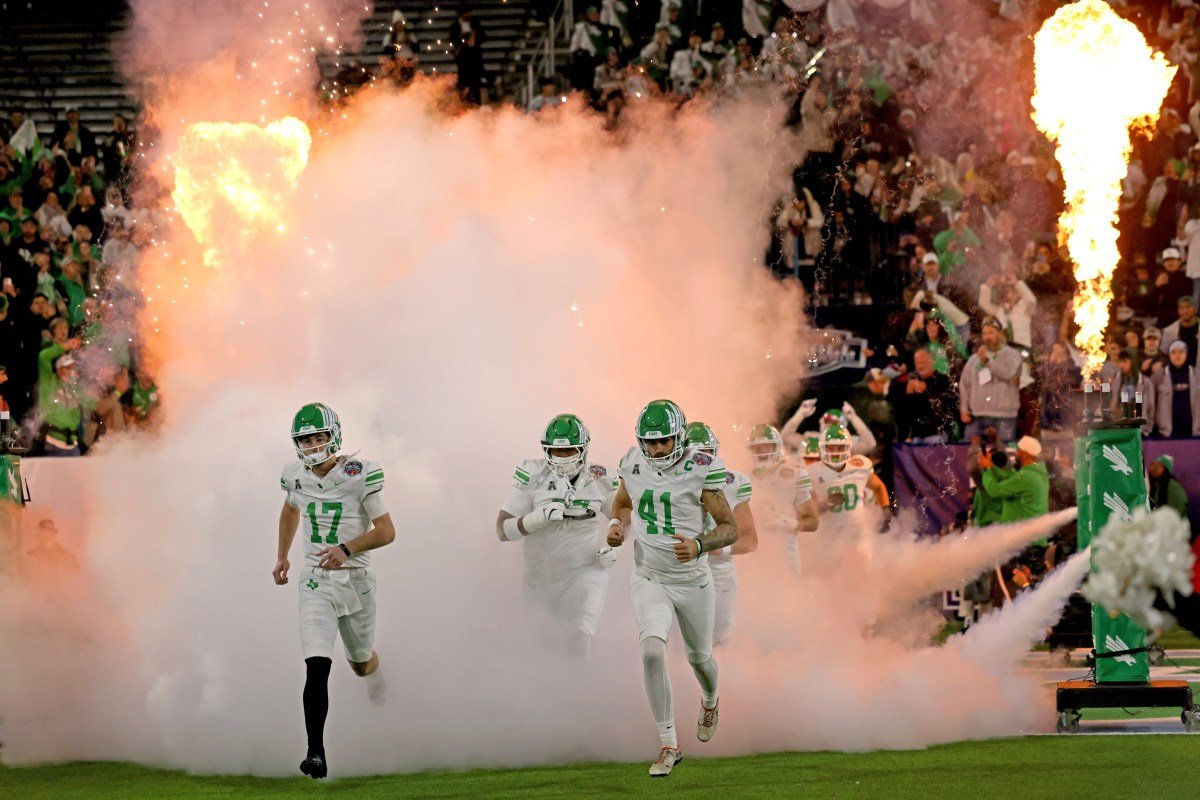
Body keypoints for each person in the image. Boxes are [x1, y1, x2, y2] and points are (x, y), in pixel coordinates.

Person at [606, 399, 739, 777]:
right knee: (651, 652)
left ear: (679, 437)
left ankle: (710, 700)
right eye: (651, 442)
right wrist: (617, 525)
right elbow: (621, 503)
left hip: (692, 580)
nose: (658, 449)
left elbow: (731, 527)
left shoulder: (702, 467)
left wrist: (700, 544)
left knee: (699, 658)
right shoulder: (632, 461)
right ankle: (668, 744)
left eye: (665, 441)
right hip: (649, 576)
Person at [274, 403, 396, 780]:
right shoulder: (295, 474)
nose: (312, 446)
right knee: (317, 663)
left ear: (334, 436)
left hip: (355, 579)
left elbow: (387, 531)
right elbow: (290, 510)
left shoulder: (359, 473)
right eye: (305, 440)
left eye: (318, 437)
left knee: (359, 663)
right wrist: (282, 556)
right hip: (315, 580)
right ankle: (315, 752)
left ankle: (376, 674)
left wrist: (346, 549)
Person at [495, 414, 617, 654]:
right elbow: (502, 530)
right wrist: (537, 518)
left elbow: (623, 518)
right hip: (540, 579)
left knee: (578, 639)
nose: (563, 457)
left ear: (583, 449)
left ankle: (580, 691)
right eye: (556, 451)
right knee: (540, 651)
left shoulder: (600, 478)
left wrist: (615, 549)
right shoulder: (533, 475)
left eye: (569, 450)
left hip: (584, 572)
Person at [685, 421, 757, 648]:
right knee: (680, 643)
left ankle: (719, 683)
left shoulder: (732, 483)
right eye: (696, 454)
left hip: (718, 574)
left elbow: (750, 540)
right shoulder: (667, 481)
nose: (702, 460)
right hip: (680, 573)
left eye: (707, 453)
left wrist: (721, 548)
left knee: (717, 642)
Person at [745, 423, 818, 574]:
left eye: (767, 446)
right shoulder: (743, 478)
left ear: (776, 447)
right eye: (757, 447)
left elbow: (813, 521)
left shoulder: (795, 475)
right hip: (753, 556)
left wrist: (789, 523)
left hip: (784, 554)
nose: (762, 452)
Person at [807, 424, 890, 543]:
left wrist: (885, 510)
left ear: (848, 447)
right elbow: (801, 510)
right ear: (823, 448)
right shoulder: (812, 473)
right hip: (829, 535)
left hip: (858, 533)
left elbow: (878, 487)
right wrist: (822, 506)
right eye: (831, 448)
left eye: (840, 448)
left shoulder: (859, 466)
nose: (836, 453)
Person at [959, 318, 1023, 442]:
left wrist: (988, 362)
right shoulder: (974, 358)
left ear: (1000, 333)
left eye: (991, 333)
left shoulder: (1012, 355)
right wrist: (964, 408)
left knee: (1003, 456)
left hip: (1004, 417)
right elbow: (964, 384)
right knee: (971, 454)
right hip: (977, 416)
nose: (987, 337)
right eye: (984, 333)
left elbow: (1009, 374)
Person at [893, 347, 959, 443]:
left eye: (923, 362)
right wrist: (907, 395)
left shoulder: (943, 380)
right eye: (917, 363)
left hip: (939, 435)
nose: (919, 366)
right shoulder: (912, 382)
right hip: (918, 436)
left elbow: (949, 409)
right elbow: (905, 414)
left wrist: (927, 390)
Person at [1154, 340, 1200, 437]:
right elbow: (1152, 403)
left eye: (1181, 352)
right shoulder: (1158, 376)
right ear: (1169, 355)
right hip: (1166, 434)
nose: (1177, 355)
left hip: (1194, 434)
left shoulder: (1197, 375)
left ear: (1186, 353)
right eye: (1173, 352)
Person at [1161, 295, 1200, 367]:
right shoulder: (1169, 331)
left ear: (1196, 309)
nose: (1185, 311)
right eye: (1181, 308)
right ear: (1178, 310)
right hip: (1177, 373)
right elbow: (1164, 355)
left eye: (1188, 307)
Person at [1148, 455, 1189, 519]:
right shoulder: (1154, 486)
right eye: (1153, 465)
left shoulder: (1172, 486)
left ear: (1166, 470)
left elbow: (1181, 506)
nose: (1154, 468)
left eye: (1159, 466)